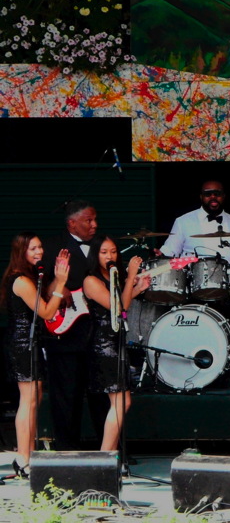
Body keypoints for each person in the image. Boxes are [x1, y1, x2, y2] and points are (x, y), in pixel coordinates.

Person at [0, 233, 70, 477]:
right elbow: (47, 312)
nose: (39, 251)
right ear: (22, 251)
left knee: (33, 400)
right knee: (28, 402)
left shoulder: (29, 277)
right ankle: (23, 458)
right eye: (33, 248)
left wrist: (59, 276)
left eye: (40, 247)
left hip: (31, 342)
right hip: (24, 344)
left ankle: (27, 455)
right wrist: (61, 283)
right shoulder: (21, 281)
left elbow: (45, 299)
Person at [40, 199, 108, 450]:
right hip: (66, 332)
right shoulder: (52, 246)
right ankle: (66, 450)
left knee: (102, 393)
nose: (94, 225)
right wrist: (54, 287)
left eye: (95, 219)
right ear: (72, 223)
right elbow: (38, 280)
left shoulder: (103, 245)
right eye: (88, 220)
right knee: (66, 394)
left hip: (99, 331)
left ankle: (108, 448)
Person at [83, 236, 150, 451]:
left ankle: (109, 455)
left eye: (113, 251)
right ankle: (106, 455)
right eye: (104, 252)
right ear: (95, 255)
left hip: (116, 340)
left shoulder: (111, 277)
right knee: (121, 402)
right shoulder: (91, 280)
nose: (110, 256)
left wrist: (137, 288)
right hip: (103, 343)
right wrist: (131, 276)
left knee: (120, 402)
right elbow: (118, 307)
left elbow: (123, 303)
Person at [158, 180, 230, 269]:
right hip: (192, 282)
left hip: (229, 282)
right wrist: (160, 255)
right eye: (208, 194)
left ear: (224, 196)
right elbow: (170, 252)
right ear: (201, 196)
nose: (213, 197)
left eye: (217, 194)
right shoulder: (183, 222)